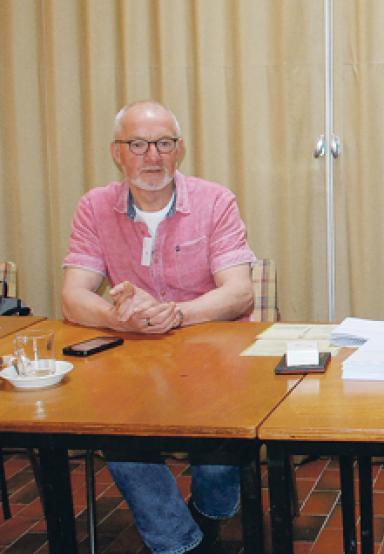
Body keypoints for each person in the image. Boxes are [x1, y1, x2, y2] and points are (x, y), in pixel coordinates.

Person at [62, 100, 256, 553]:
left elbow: (239, 292)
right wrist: (115, 317)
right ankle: (180, 543)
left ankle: (207, 516)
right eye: (138, 144)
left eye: (164, 143)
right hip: (130, 363)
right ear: (117, 151)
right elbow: (74, 295)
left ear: (180, 149)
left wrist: (175, 314)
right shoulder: (94, 206)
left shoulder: (215, 200)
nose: (152, 156)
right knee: (118, 435)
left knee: (219, 456)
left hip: (212, 361)